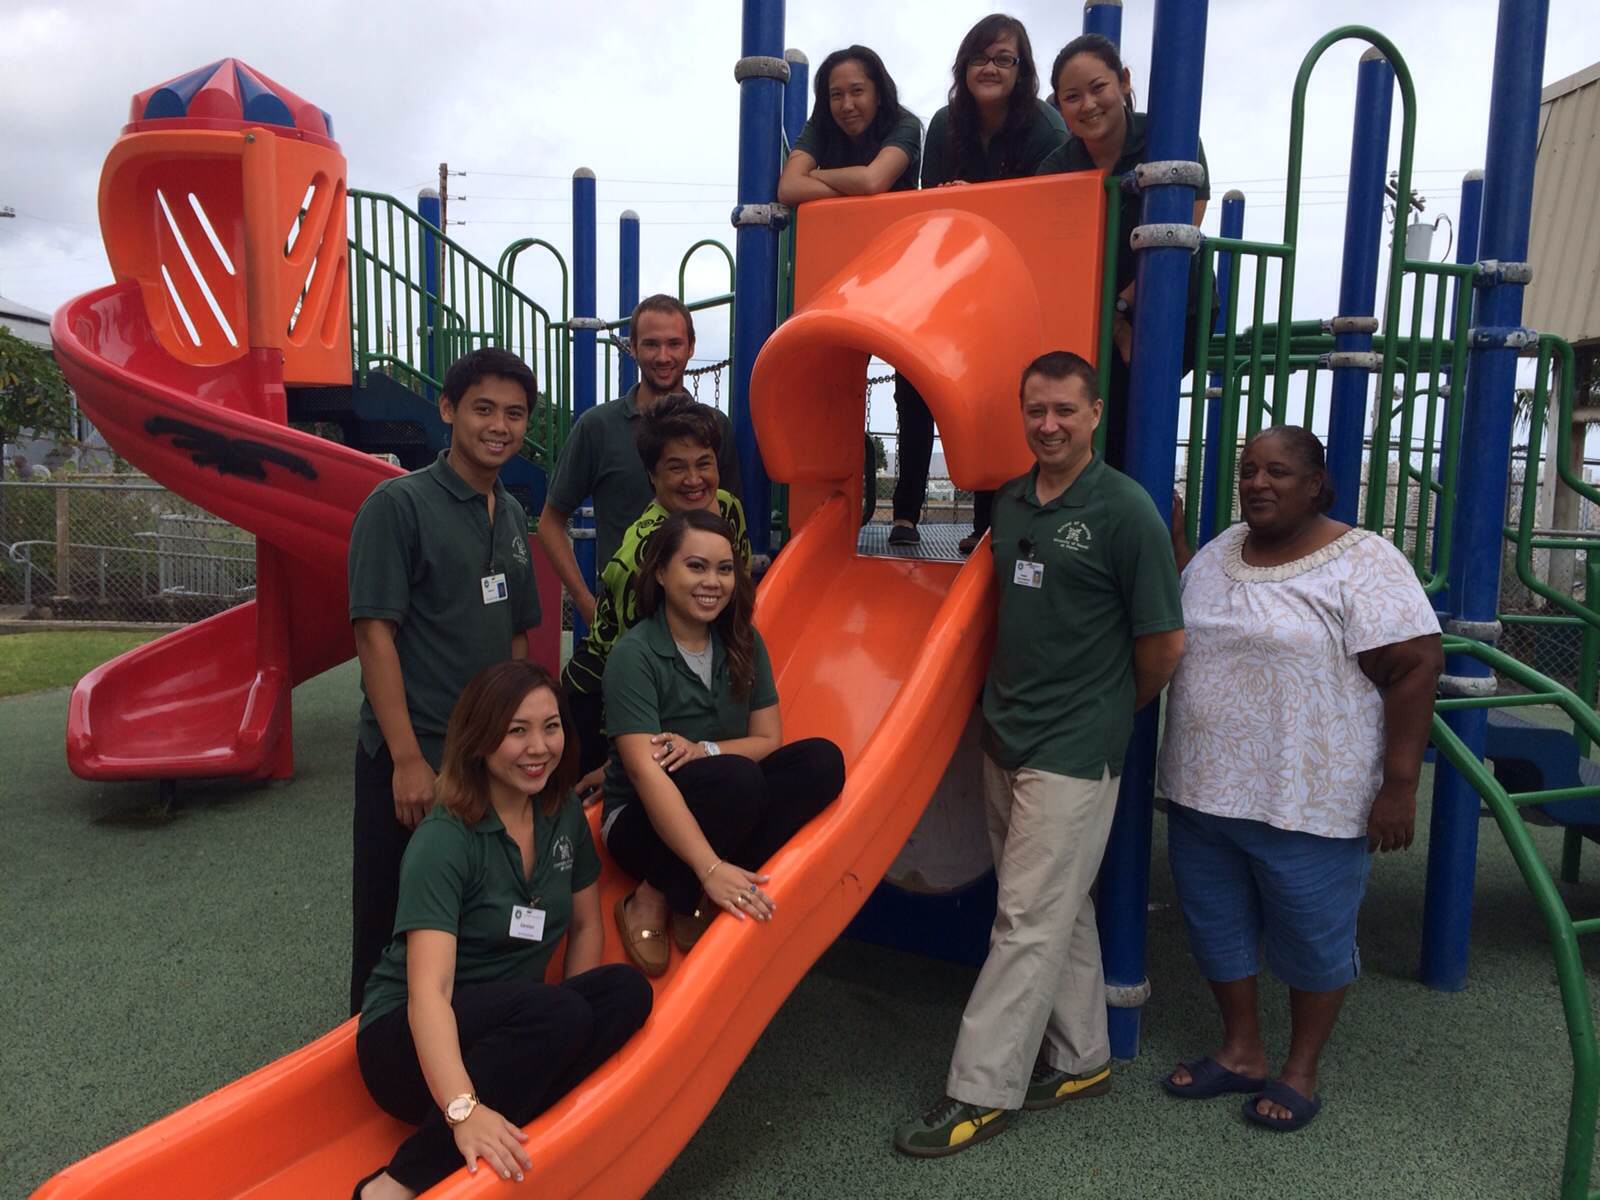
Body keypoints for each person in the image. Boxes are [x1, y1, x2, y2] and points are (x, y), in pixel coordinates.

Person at [894, 350, 1184, 1158]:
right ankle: (1085, 1057)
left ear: (1094, 414)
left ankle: (980, 1090)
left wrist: (1104, 711)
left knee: (1022, 919)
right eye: (1036, 411)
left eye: (1064, 410)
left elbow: (1163, 645)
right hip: (1008, 732)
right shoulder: (1013, 503)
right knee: (1057, 908)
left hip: (1073, 747)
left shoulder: (1126, 511)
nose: (1048, 425)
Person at [1157, 426, 1442, 1132]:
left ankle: (1300, 1069)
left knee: (1313, 938)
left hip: (1309, 799)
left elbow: (1415, 665)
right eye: (1249, 469)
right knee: (1216, 927)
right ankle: (1242, 1051)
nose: (1258, 482)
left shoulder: (1363, 561)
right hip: (1203, 790)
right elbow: (1196, 608)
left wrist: (1399, 784)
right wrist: (1172, 541)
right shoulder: (1223, 550)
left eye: (1279, 471)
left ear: (1317, 483)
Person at [352, 660, 652, 1200]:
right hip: (408, 1040)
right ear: (480, 739)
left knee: (625, 992)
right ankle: (394, 1184)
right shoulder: (445, 839)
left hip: (508, 1024)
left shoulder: (559, 816)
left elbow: (585, 925)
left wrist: (573, 1021)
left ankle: (522, 1089)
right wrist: (462, 1108)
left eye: (551, 725)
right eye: (517, 731)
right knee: (556, 1011)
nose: (539, 747)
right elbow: (429, 993)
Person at [347, 347, 542, 1016]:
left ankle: (456, 1042)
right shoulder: (399, 505)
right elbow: (374, 634)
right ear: (448, 410)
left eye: (514, 414)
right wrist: (404, 758)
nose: (499, 426)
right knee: (392, 916)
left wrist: (515, 739)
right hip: (416, 750)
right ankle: (368, 1046)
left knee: (468, 912)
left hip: (481, 751)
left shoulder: (511, 513)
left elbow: (517, 637)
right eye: (483, 409)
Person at [601, 509, 845, 976]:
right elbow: (644, 773)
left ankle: (687, 886)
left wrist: (705, 749)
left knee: (821, 762)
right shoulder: (635, 654)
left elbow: (769, 739)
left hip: (725, 798)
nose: (712, 581)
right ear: (660, 572)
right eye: (696, 566)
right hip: (640, 820)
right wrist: (709, 867)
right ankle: (653, 895)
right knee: (738, 781)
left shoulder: (743, 642)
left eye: (724, 568)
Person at [921, 13, 1068, 555]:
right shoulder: (945, 124)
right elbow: (930, 203)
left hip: (1025, 279)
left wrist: (977, 201)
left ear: (1021, 69)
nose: (990, 67)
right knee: (961, 394)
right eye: (980, 57)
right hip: (964, 279)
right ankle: (946, 518)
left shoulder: (1044, 127)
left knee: (1014, 395)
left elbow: (1046, 212)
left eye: (1004, 58)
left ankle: (996, 527)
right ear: (964, 65)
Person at [561, 394, 751, 800]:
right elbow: (630, 662)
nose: (694, 479)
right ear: (651, 475)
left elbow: (740, 595)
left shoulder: (729, 511)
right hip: (600, 697)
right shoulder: (643, 554)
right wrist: (618, 758)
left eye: (704, 463)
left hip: (682, 682)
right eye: (675, 467)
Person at [1037, 33, 1211, 470]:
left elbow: (1185, 223)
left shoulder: (1166, 134)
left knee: (1141, 415)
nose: (1089, 105)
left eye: (1099, 88)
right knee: (1097, 422)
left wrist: (1124, 307)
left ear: (1124, 82)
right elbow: (1061, 260)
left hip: (1171, 305)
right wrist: (1114, 324)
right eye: (1072, 96)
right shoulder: (1058, 168)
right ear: (1059, 104)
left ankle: (1146, 517)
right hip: (1096, 316)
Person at [777, 45, 925, 544]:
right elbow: (785, 189)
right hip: (840, 276)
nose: (846, 105)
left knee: (914, 390)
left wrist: (816, 176)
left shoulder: (905, 125)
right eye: (835, 94)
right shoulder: (821, 128)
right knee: (828, 382)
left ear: (877, 91)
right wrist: (843, 185)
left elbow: (874, 178)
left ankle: (905, 512)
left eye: (857, 91)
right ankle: (824, 508)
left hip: (902, 271)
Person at [537, 295, 741, 625]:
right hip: (626, 620)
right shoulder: (598, 427)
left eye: (674, 344)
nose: (663, 356)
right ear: (632, 347)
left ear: (691, 347)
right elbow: (550, 523)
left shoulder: (715, 428)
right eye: (651, 344)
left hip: (701, 620)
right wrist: (586, 604)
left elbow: (730, 521)